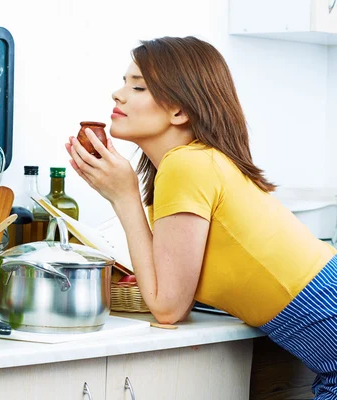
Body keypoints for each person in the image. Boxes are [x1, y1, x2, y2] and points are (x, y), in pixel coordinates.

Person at [65, 36, 337, 399]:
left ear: (179, 111)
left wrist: (125, 196)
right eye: (124, 83)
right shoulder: (192, 164)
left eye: (138, 86)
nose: (118, 94)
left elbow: (167, 308)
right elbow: (177, 293)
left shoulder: (186, 166)